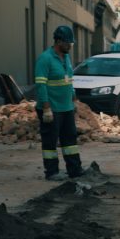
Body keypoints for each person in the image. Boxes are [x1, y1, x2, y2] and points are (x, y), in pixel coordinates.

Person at [35, 25, 84, 181]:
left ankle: (74, 169)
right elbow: (40, 85)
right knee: (50, 141)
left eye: (71, 43)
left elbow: (68, 80)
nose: (70, 45)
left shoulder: (66, 57)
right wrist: (46, 108)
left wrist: (73, 98)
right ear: (58, 41)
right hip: (51, 108)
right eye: (68, 42)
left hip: (66, 107)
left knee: (70, 140)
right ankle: (51, 172)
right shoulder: (45, 58)